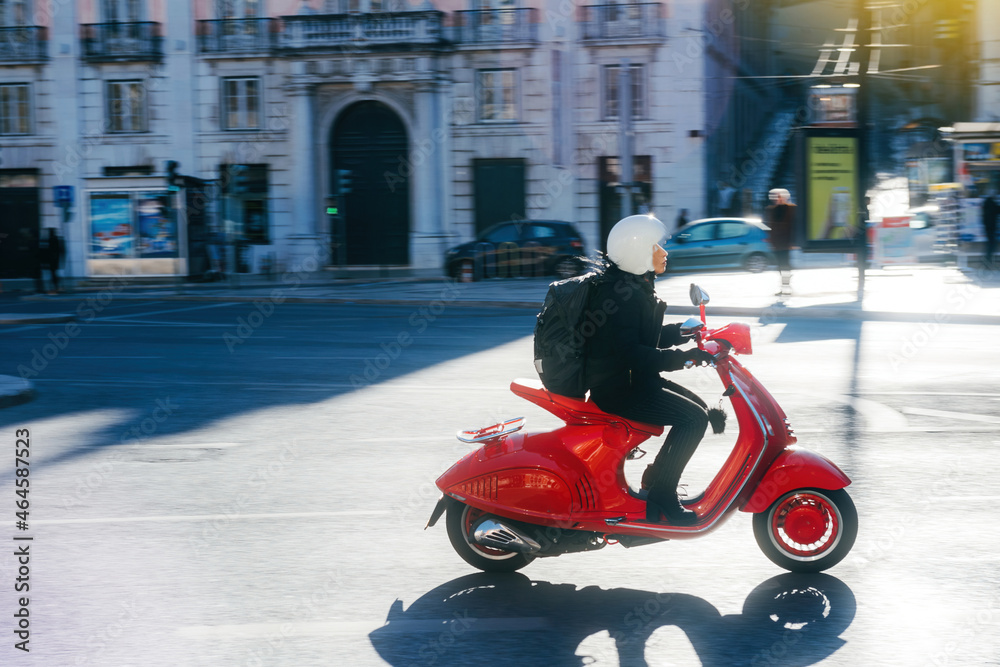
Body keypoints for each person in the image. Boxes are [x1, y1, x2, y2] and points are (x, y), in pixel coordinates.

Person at [584, 214, 715, 525]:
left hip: (632, 381)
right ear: (638, 251)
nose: (664, 252)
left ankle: (656, 479)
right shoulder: (619, 295)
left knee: (698, 410)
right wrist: (686, 358)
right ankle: (663, 497)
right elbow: (634, 354)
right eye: (656, 246)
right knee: (694, 419)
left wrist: (682, 331)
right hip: (620, 391)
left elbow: (643, 337)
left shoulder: (632, 285)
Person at [766, 188, 796, 295]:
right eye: (773, 196)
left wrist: (793, 241)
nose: (776, 199)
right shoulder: (771, 209)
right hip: (777, 243)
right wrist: (770, 239)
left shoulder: (791, 209)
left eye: (778, 196)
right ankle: (783, 287)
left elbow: (793, 226)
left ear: (784, 197)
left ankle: (787, 287)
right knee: (779, 266)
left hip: (786, 242)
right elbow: (770, 226)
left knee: (785, 265)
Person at [37, 228, 64, 295]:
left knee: (53, 273)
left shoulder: (50, 239)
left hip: (52, 260)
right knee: (53, 273)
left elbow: (47, 250)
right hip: (54, 260)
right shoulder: (55, 239)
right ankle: (55, 286)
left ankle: (55, 286)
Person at [982, 191, 998, 269]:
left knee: (990, 245)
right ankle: (987, 262)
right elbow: (997, 210)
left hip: (987, 227)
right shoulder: (992, 203)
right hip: (991, 227)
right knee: (991, 245)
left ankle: (987, 262)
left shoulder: (986, 203)